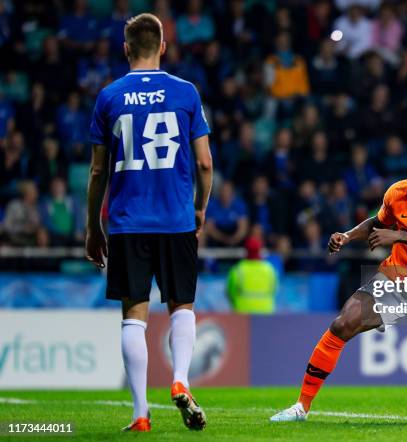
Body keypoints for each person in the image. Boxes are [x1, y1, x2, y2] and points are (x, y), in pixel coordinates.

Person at [270, 138, 407, 424]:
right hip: (394, 279)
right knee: (342, 324)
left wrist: (399, 235)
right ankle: (301, 407)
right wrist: (348, 236)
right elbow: (378, 221)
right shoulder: (398, 192)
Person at [85, 13, 213, 432]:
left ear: (125, 49)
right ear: (162, 46)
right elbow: (205, 162)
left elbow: (97, 172)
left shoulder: (108, 97)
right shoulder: (185, 92)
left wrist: (92, 226)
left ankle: (141, 413)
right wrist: (199, 207)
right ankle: (180, 378)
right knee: (182, 307)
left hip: (127, 222)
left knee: (133, 316)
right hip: (176, 220)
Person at [227, 235, 277, 313]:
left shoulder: (238, 270)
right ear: (260, 251)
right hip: (265, 313)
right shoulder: (269, 269)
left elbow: (230, 293)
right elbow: (274, 290)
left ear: (246, 251)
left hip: (243, 314)